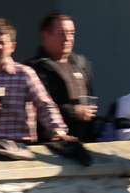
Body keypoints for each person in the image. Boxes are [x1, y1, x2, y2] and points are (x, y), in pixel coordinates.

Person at [0, 18, 68, 143]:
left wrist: (58, 131)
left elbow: (45, 105)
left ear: (12, 47)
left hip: (21, 147)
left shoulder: (24, 74)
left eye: (2, 43)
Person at [27, 12, 97, 142]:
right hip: (51, 144)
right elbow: (38, 107)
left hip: (85, 141)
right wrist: (73, 112)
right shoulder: (33, 68)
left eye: (71, 33)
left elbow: (91, 98)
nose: (68, 38)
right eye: (62, 33)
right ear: (45, 35)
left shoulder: (82, 64)